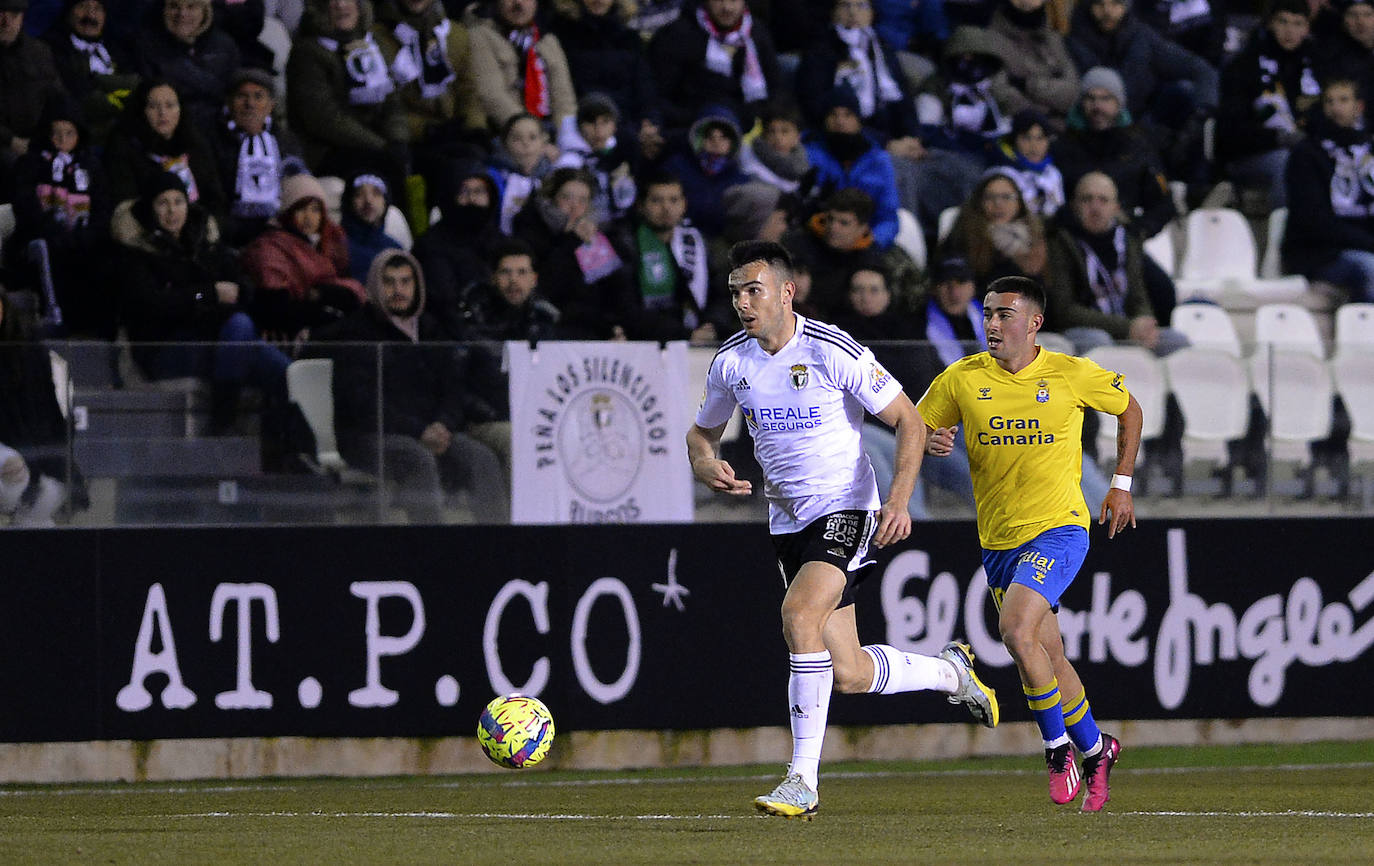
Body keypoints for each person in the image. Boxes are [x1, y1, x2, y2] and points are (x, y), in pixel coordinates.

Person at [686, 239, 1000, 819]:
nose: (742, 303)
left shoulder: (831, 349)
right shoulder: (732, 361)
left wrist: (898, 501)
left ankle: (802, 779)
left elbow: (908, 419)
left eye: (753, 290)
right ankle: (951, 672)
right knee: (850, 673)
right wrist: (706, 465)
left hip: (847, 509)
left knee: (798, 616)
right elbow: (702, 434)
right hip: (788, 522)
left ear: (786, 291)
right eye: (735, 293)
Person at [917, 274, 1140, 812]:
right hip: (997, 540)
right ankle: (1096, 748)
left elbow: (1129, 409)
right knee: (1047, 652)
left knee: (1015, 632)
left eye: (1004, 314)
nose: (992, 324)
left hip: (1061, 527)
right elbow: (915, 428)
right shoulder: (962, 379)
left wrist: (1121, 484)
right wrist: (931, 437)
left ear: (1034, 322)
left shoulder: (1068, 373)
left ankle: (1056, 749)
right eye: (988, 313)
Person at [308, 248, 509, 523]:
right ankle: (428, 554)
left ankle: (496, 548)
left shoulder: (430, 329)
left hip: (430, 430)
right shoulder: (355, 333)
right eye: (389, 282)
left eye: (405, 282)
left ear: (417, 286)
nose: (398, 290)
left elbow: (452, 387)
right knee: (415, 457)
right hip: (369, 436)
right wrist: (419, 430)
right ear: (375, 286)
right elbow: (363, 403)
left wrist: (443, 424)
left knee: (480, 457)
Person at [112, 171, 289, 433]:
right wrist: (207, 294)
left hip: (220, 338)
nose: (172, 211)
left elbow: (243, 287)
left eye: (178, 201)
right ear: (150, 208)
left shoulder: (205, 245)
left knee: (285, 372)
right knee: (249, 340)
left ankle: (285, 443)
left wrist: (218, 296)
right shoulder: (137, 255)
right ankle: (225, 421)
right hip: (166, 349)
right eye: (163, 203)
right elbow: (156, 303)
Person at [1045, 170, 1187, 353]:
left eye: (1103, 200)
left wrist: (1144, 324)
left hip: (1126, 326)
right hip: (1082, 330)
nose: (1095, 207)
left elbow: (1138, 296)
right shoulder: (1061, 242)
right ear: (1074, 206)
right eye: (1087, 199)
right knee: (1100, 343)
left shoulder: (1127, 241)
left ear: (1116, 207)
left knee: (1176, 342)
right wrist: (1126, 327)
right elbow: (1065, 310)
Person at [286, 0, 409, 192]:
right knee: (383, 168)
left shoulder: (373, 43)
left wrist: (398, 141)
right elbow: (324, 118)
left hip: (376, 144)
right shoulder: (307, 52)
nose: (341, 5)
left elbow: (392, 102)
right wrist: (382, 147)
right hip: (328, 151)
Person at [1215, 0, 1321, 213]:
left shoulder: (1318, 66)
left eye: (1297, 24)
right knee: (1288, 162)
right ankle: (1287, 235)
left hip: (1309, 147)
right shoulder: (1245, 66)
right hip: (1253, 154)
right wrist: (1277, 138)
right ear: (1270, 24)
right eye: (1283, 22)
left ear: (1307, 29)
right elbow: (1229, 132)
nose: (1289, 31)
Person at [1051, 67, 1177, 241]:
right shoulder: (1062, 147)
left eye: (1105, 98)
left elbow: (1163, 203)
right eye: (1090, 98)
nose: (1097, 106)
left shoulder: (1138, 146)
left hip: (1125, 235)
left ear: (1119, 103)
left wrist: (1139, 231)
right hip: (1073, 240)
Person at [240, 172, 368, 340]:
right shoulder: (271, 247)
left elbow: (348, 293)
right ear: (288, 211)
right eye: (301, 208)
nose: (309, 217)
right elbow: (275, 306)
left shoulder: (331, 245)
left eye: (315, 209)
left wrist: (322, 294)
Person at [1282, 77, 1374, 302]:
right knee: (1370, 268)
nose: (1335, 107)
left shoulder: (1369, 151)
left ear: (1358, 107)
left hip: (1365, 245)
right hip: (1321, 253)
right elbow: (1313, 220)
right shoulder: (1307, 154)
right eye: (1329, 102)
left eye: (1343, 100)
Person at [0, 286, 82, 527]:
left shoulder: (31, 353)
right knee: (12, 466)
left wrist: (53, 456)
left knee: (43, 506)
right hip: (10, 454)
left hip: (33, 452)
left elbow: (51, 411)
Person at [648, 0, 781, 133]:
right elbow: (659, 96)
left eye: (734, 0)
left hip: (748, 126)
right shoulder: (676, 35)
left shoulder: (757, 32)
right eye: (719, 0)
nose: (727, 7)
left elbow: (775, 88)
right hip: (691, 128)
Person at [212, 67, 307, 246]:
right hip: (230, 228)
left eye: (258, 96)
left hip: (281, 225)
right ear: (229, 102)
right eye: (242, 96)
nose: (250, 104)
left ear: (271, 105)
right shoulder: (215, 140)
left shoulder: (285, 140)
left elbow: (298, 182)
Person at [413, 157, 504, 338]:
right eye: (464, 192)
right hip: (448, 339)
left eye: (479, 191)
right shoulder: (431, 244)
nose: (472, 199)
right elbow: (442, 301)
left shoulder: (501, 242)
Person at [464, 0, 577, 131]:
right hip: (507, 133)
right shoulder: (480, 36)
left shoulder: (547, 40)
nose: (518, 3)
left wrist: (566, 136)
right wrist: (533, 135)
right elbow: (491, 95)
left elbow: (564, 99)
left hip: (550, 130)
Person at [42, 0, 140, 146]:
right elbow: (79, 94)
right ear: (68, 13)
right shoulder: (51, 48)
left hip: (123, 134)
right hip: (80, 138)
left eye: (97, 8)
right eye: (83, 6)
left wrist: (97, 82)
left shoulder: (118, 47)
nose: (90, 15)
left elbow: (137, 84)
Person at [134, 0, 241, 132]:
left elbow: (233, 93)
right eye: (174, 6)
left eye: (191, 7)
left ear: (205, 11)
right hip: (168, 130)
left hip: (219, 128)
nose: (182, 14)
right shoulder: (148, 46)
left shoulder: (225, 46)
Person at [940, 168, 1049, 288]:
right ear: (979, 202)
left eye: (1006, 197)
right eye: (990, 197)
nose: (998, 204)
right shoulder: (963, 236)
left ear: (1019, 203)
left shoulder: (1037, 237)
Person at [339, 168, 405, 284]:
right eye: (359, 194)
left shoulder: (395, 250)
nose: (368, 200)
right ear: (349, 202)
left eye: (376, 193)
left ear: (386, 202)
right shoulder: (335, 245)